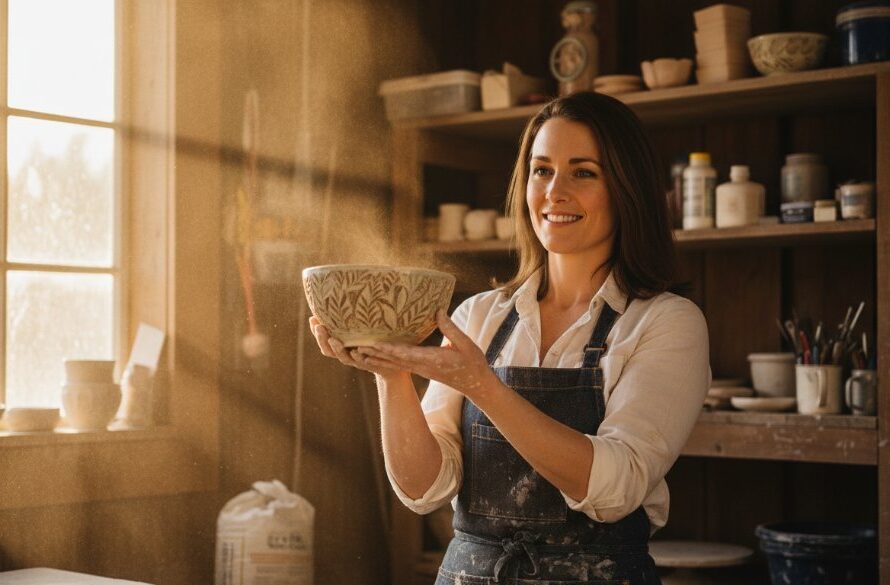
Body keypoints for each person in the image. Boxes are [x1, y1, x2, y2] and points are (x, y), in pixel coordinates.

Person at [309, 91, 710, 584]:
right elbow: (425, 490)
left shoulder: (664, 322)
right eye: (542, 171)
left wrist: (484, 387)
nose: (554, 192)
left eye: (583, 172)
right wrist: (391, 378)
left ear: (626, 187)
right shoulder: (479, 316)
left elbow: (615, 488)